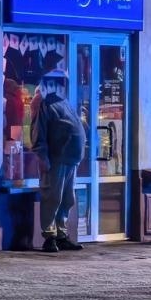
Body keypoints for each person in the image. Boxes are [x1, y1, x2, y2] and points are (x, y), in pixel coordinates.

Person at [31, 68, 86, 253]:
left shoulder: (64, 102)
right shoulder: (45, 104)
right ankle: (50, 236)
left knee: (67, 199)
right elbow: (39, 135)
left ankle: (61, 234)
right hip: (56, 160)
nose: (62, 85)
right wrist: (43, 157)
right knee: (52, 197)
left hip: (70, 160)